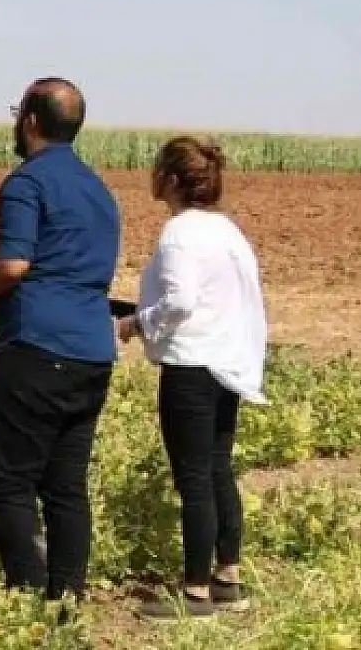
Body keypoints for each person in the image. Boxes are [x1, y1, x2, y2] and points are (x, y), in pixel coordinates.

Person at [0, 77, 121, 604]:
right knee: (66, 486)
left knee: (8, 480)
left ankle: (25, 598)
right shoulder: (100, 190)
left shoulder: (26, 183)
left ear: (28, 120)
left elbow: (13, 263)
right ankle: (67, 599)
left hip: (36, 349)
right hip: (93, 352)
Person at [119, 137, 267, 621]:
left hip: (191, 366)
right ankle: (228, 577)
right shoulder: (228, 231)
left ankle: (196, 591)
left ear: (172, 180)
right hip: (224, 364)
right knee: (219, 469)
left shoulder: (180, 231)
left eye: (157, 167)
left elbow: (181, 302)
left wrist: (137, 321)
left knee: (194, 479)